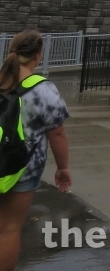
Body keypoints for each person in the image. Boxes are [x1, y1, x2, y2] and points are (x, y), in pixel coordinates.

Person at [0, 30, 71, 271]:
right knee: (8, 228)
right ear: (37, 56)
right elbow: (57, 134)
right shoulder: (43, 90)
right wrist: (63, 168)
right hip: (21, 170)